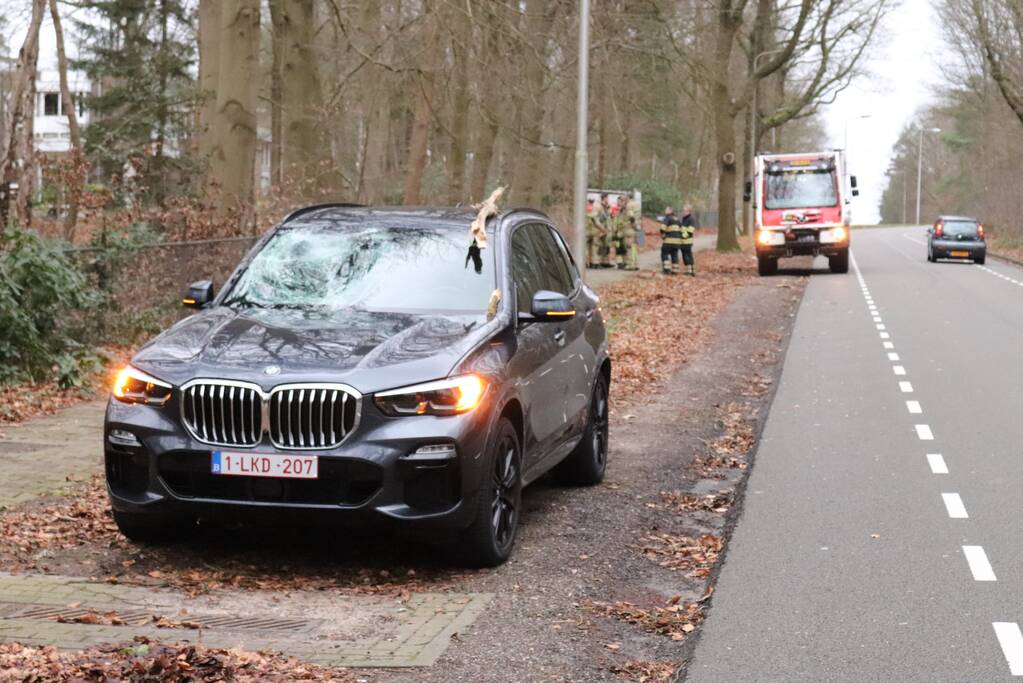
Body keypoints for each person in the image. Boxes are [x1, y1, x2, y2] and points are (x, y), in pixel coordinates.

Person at [615, 194, 639, 270]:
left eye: (624, 200)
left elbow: (631, 217)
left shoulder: (629, 206)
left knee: (629, 247)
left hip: (629, 229)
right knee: (634, 247)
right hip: (636, 229)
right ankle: (635, 264)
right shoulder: (637, 204)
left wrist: (632, 225)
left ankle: (630, 264)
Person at [659, 206, 683, 275]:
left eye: (666, 209)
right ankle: (675, 271)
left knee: (664, 253)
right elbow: (681, 230)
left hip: (668, 241)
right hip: (677, 242)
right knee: (674, 255)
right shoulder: (677, 219)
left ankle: (666, 270)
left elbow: (663, 228)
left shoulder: (667, 218)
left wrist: (663, 234)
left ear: (670, 210)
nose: (665, 211)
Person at [679, 204, 697, 276]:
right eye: (683, 210)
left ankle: (691, 271)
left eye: (685, 210)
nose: (684, 212)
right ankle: (688, 270)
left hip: (687, 241)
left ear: (689, 211)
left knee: (688, 255)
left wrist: (682, 236)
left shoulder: (691, 219)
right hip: (683, 242)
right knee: (684, 255)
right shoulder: (684, 218)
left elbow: (690, 231)